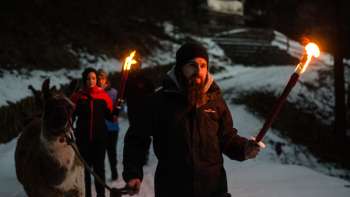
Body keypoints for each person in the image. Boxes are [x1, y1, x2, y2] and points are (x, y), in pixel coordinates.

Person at [122, 42, 265, 197]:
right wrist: (133, 173)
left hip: (214, 190)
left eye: (203, 65)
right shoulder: (159, 102)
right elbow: (136, 139)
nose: (199, 71)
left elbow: (227, 138)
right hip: (172, 189)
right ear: (180, 67)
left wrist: (244, 148)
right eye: (192, 65)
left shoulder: (215, 101)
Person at [71, 67, 114, 197]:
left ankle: (101, 195)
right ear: (84, 80)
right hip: (82, 140)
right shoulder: (77, 97)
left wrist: (116, 109)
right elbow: (70, 117)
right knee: (84, 171)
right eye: (88, 78)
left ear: (97, 80)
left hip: (99, 139)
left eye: (94, 78)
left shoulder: (103, 96)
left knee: (99, 170)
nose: (91, 81)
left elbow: (110, 117)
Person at [97, 69, 120, 181]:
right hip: (100, 128)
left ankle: (114, 172)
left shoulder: (114, 92)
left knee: (112, 151)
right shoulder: (96, 93)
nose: (101, 79)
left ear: (107, 79)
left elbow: (118, 109)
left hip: (112, 128)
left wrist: (117, 111)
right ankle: (101, 176)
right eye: (99, 77)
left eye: (103, 77)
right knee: (100, 153)